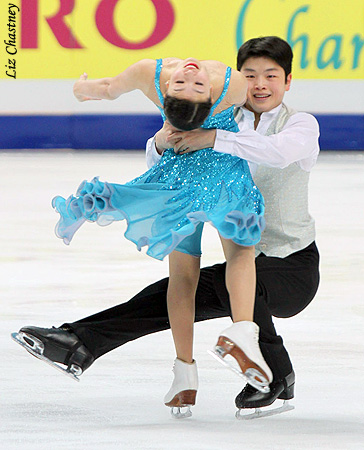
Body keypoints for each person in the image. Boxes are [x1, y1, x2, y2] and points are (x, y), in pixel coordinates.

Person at [13, 36, 320, 416]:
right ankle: (80, 341)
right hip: (242, 261)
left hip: (290, 264)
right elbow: (161, 161)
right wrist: (164, 139)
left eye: (270, 76)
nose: (259, 84)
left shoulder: (300, 125)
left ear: (287, 81)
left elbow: (278, 153)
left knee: (238, 280)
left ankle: (276, 373)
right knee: (172, 290)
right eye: (251, 75)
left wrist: (214, 138)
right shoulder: (212, 106)